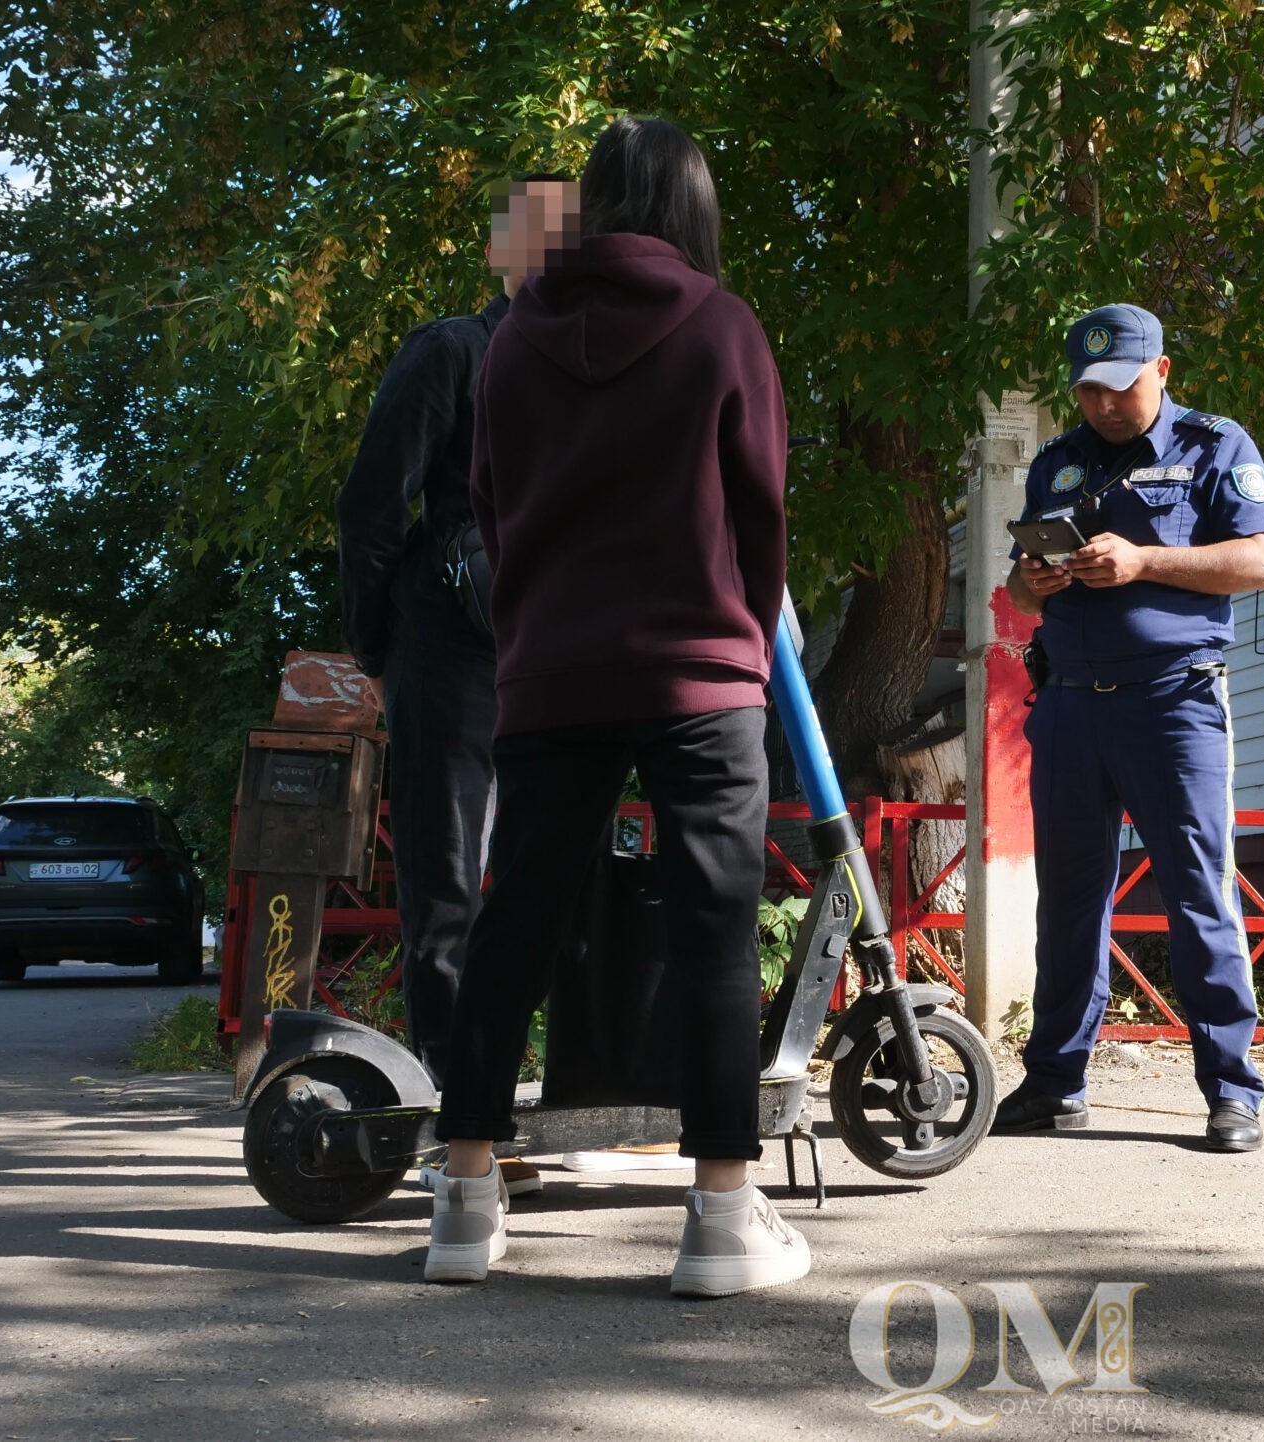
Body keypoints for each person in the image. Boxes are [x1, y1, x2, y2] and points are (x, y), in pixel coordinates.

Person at [422, 115, 805, 1296]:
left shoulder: (510, 346)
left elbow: (488, 505)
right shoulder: (723, 326)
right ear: (694, 209)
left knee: (515, 922)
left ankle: (466, 1197)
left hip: (551, 671)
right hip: (699, 669)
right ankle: (720, 1221)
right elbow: (759, 508)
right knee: (713, 927)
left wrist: (536, 621)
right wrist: (742, 623)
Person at [995, 303, 1264, 1153]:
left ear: (1161, 371)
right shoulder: (1058, 464)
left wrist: (1144, 560)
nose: (1103, 407)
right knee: (1071, 902)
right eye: (1088, 391)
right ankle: (1055, 1082)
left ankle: (1233, 1090)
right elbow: (1017, 589)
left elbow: (1263, 561)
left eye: (1119, 388)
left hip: (1175, 704)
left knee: (1198, 894)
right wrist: (1032, 585)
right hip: (1073, 706)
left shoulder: (1214, 446)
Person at [334, 175, 574, 1203]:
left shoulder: (586, 375)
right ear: (502, 252)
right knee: (444, 889)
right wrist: (378, 653)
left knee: (541, 888)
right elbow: (371, 507)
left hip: (557, 656)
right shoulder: (451, 352)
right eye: (540, 233)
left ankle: (524, 1099)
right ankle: (453, 1111)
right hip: (452, 653)